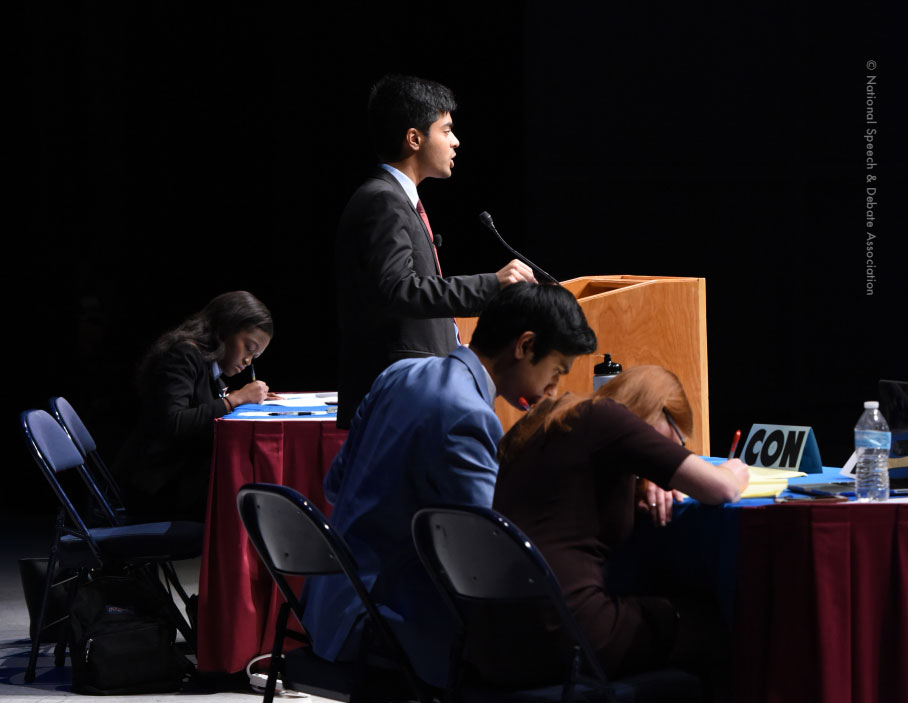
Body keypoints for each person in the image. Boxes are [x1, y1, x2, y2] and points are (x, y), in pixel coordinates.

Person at [303, 282, 597, 686]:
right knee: (570, 648)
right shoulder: (467, 415)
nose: (553, 390)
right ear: (525, 346)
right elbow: (492, 554)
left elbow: (335, 484)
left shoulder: (399, 373)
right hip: (384, 621)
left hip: (328, 606)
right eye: (557, 371)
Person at [484, 365, 750, 689]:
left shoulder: (547, 420)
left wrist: (651, 478)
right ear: (659, 412)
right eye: (678, 441)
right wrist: (733, 470)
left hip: (499, 634)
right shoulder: (608, 418)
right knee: (713, 625)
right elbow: (723, 489)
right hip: (569, 629)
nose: (674, 451)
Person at [335, 73, 536, 428]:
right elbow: (400, 290)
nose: (456, 141)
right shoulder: (383, 201)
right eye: (446, 130)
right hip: (399, 399)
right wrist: (493, 284)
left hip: (413, 394)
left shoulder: (394, 200)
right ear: (414, 138)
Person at [115, 291, 274, 521]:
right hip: (158, 488)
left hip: (180, 479)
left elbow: (207, 401)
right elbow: (173, 421)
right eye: (249, 348)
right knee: (247, 492)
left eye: (255, 356)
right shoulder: (183, 354)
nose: (248, 361)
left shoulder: (206, 362)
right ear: (227, 328)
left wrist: (240, 397)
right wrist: (235, 400)